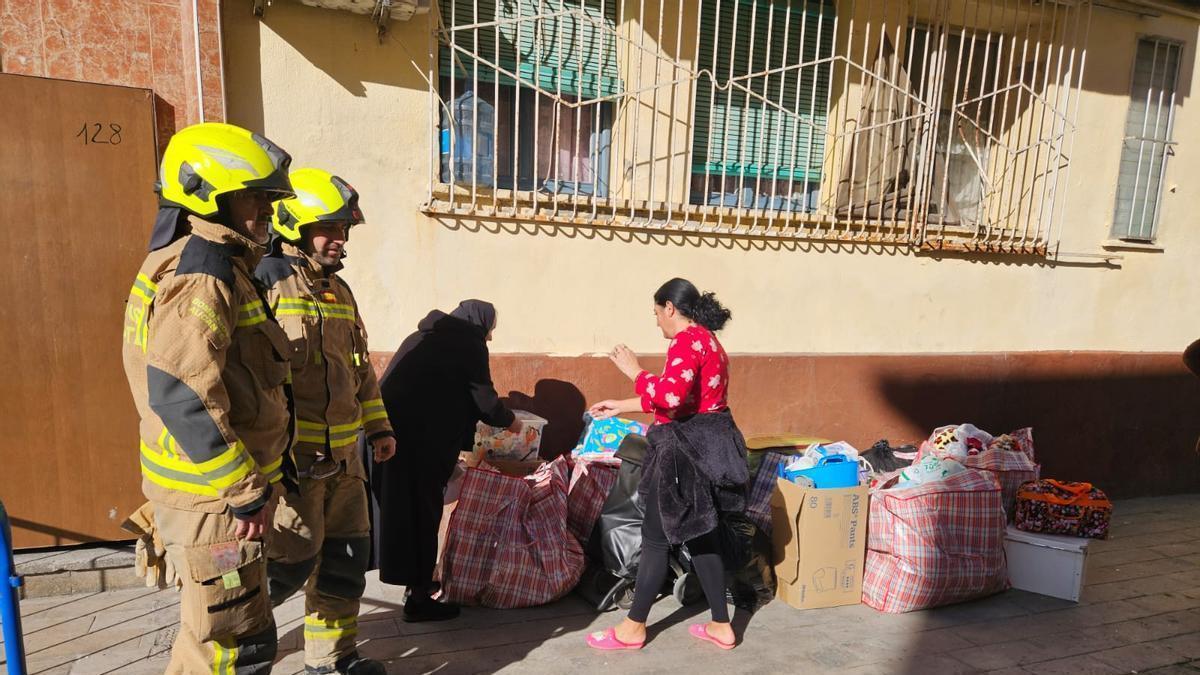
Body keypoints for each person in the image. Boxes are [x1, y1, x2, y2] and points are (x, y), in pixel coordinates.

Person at [121, 122, 298, 674]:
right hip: (217, 504)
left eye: (269, 199)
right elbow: (181, 394)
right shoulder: (205, 274)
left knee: (219, 631)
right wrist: (245, 492)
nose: (266, 212)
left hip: (212, 497)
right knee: (228, 640)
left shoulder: (210, 262)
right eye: (254, 198)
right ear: (209, 195)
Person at [255, 168, 397, 675]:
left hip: (345, 465)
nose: (339, 240)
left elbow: (360, 369)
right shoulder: (265, 280)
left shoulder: (340, 291)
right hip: (293, 468)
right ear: (294, 223)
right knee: (283, 569)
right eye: (329, 228)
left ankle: (332, 662)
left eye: (344, 230)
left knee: (345, 563)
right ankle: (230, 655)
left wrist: (379, 429)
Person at [585, 278, 748, 651]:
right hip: (707, 448)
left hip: (683, 455)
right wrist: (620, 405)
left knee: (656, 538)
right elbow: (681, 395)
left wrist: (633, 370)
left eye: (657, 314)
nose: (657, 322)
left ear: (670, 309)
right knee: (702, 533)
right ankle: (722, 626)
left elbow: (671, 398)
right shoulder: (708, 340)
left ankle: (633, 628)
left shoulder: (686, 341)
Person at [370, 300, 521, 622]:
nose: (490, 338)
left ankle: (416, 584)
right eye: (490, 330)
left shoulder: (422, 337)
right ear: (480, 323)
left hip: (389, 438)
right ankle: (419, 598)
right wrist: (510, 421)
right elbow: (485, 400)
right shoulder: (468, 343)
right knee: (423, 516)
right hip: (422, 444)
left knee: (404, 515)